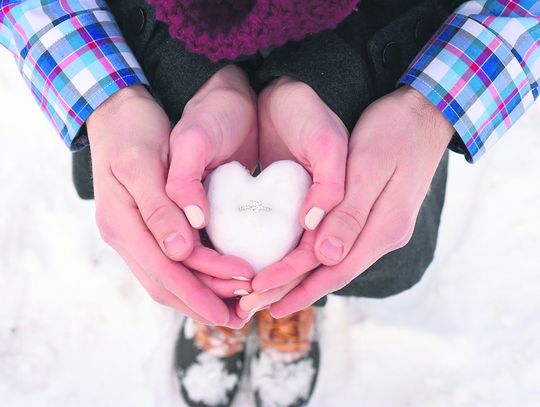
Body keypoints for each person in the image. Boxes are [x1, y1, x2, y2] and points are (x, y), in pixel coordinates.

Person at [1, 0, 539, 406]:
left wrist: (428, 106)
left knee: (337, 232)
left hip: (377, 63)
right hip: (159, 53)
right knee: (173, 218)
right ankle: (227, 299)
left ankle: (290, 299)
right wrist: (112, 95)